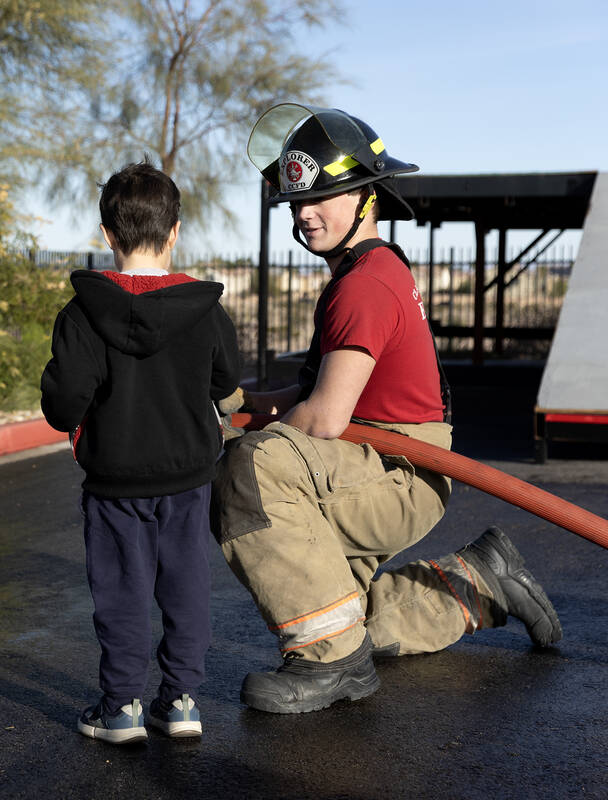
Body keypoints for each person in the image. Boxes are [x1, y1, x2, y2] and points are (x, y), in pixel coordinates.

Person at [212, 103, 562, 714]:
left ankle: (329, 663)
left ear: (367, 197)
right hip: (387, 461)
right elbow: (306, 395)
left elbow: (322, 419)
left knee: (251, 470)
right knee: (336, 607)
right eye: (298, 202)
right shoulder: (365, 272)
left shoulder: (364, 285)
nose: (305, 214)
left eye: (325, 196)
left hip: (396, 471)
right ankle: (480, 581)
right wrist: (233, 405)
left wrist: (239, 443)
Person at [41, 161, 242, 743]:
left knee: (121, 593)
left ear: (107, 235)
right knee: (186, 586)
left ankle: (122, 707)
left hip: (113, 484)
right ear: (174, 231)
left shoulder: (82, 314)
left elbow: (63, 407)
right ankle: (180, 701)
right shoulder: (204, 312)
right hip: (188, 479)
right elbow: (226, 392)